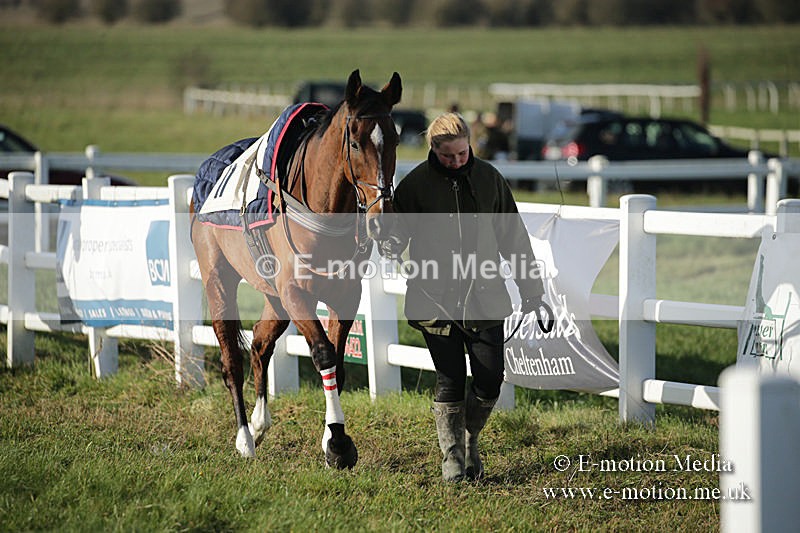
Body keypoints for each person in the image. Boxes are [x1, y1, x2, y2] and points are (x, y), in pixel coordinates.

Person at [379, 112, 545, 482]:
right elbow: (397, 234)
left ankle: (470, 440)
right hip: (434, 299)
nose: (456, 162)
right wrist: (389, 241)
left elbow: (514, 240)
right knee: (450, 379)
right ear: (433, 150)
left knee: (491, 378)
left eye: (461, 154)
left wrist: (533, 291)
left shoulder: (490, 180)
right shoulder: (415, 185)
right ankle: (452, 458)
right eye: (447, 156)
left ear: (470, 144)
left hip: (485, 298)